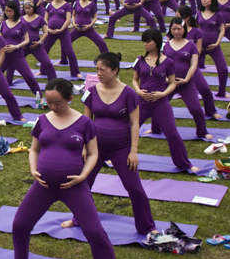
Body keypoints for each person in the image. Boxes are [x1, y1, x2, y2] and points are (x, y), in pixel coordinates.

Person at [0, 78, 129, 259]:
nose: (52, 106)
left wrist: (83, 176)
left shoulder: (84, 123)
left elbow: (94, 154)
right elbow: (34, 150)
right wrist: (33, 169)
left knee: (95, 232)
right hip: (44, 185)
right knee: (20, 224)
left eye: (57, 102)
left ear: (69, 99)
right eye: (48, 102)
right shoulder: (42, 120)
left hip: (74, 186)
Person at [60, 52, 158, 234]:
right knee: (83, 184)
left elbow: (135, 123)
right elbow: (86, 121)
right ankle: (77, 218)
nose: (99, 73)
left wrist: (133, 150)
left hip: (121, 148)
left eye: (102, 70)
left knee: (134, 188)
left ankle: (147, 226)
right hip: (95, 147)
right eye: (97, 69)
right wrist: (83, 146)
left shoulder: (128, 93)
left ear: (115, 70)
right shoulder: (92, 91)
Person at [133, 29, 199, 173]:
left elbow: (173, 84)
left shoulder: (168, 62)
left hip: (160, 103)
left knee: (172, 134)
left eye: (148, 41)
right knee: (129, 129)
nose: (145, 44)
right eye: (143, 41)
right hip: (142, 102)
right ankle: (117, 156)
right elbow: (134, 80)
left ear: (156, 42)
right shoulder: (140, 60)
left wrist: (162, 94)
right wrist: (138, 91)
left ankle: (185, 164)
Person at [163, 18, 213, 140]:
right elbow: (161, 64)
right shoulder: (166, 46)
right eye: (173, 29)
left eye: (179, 29)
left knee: (195, 109)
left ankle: (202, 131)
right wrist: (166, 80)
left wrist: (186, 80)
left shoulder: (191, 45)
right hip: (169, 83)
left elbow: (193, 65)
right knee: (159, 105)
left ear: (184, 29)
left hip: (186, 83)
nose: (176, 31)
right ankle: (155, 128)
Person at [42, 0, 81, 79]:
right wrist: (47, 29)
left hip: (63, 32)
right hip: (50, 31)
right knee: (43, 50)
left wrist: (61, 29)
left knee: (70, 51)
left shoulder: (67, 5)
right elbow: (45, 18)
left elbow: (68, 19)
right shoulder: (49, 5)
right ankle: (42, 70)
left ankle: (75, 72)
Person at [197, 0, 230, 97]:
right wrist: (198, 45)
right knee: (187, 67)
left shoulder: (218, 15)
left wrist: (217, 43)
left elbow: (222, 30)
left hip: (214, 47)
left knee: (223, 69)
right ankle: (184, 89)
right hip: (200, 47)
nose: (204, 0)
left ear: (212, 0)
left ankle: (221, 92)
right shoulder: (198, 13)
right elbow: (195, 30)